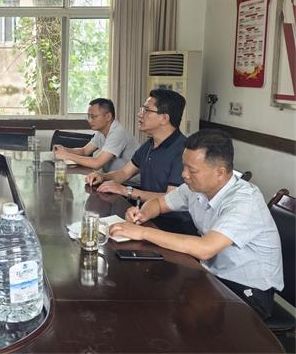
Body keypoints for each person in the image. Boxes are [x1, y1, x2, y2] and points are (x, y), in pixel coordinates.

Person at [109, 129, 283, 321]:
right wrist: (143, 213)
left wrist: (142, 232)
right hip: (212, 275)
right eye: (184, 166)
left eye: (192, 170)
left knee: (169, 310)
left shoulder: (244, 201)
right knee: (152, 293)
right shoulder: (195, 188)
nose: (184, 174)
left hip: (248, 291)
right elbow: (159, 203)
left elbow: (205, 249)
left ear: (220, 173)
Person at [85, 89, 196, 235]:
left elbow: (171, 199)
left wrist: (126, 191)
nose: (140, 114)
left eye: (146, 110)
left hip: (173, 227)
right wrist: (103, 177)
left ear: (164, 118)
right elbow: (125, 173)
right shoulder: (149, 144)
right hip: (145, 217)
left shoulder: (183, 151)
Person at [53, 98, 138, 172]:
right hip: (111, 178)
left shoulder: (117, 133)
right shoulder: (101, 132)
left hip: (129, 182)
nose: (89, 120)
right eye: (88, 116)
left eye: (93, 116)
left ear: (108, 116)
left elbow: (97, 163)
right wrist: (64, 149)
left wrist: (67, 155)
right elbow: (84, 151)